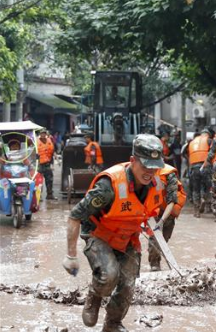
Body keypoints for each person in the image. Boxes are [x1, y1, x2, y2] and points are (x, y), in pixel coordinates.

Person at [62, 134, 166, 332]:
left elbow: (151, 211)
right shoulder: (108, 186)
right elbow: (75, 216)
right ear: (133, 160)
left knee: (127, 285)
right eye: (145, 166)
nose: (150, 172)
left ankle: (112, 323)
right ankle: (95, 294)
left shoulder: (157, 184)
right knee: (109, 276)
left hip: (128, 237)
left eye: (154, 167)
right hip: (100, 235)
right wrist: (70, 255)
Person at [148, 163, 187, 271]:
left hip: (167, 210)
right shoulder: (141, 171)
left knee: (164, 238)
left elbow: (172, 201)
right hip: (152, 209)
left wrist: (162, 220)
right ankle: (154, 264)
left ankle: (157, 259)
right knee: (155, 238)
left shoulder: (169, 175)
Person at [186, 128, 213, 217]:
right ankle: (206, 201)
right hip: (205, 167)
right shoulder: (209, 140)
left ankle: (196, 211)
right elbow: (213, 153)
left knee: (195, 189)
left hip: (194, 167)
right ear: (208, 134)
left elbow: (187, 154)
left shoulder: (192, 142)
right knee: (208, 187)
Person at [37, 129, 56, 200]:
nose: (43, 135)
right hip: (40, 164)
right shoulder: (36, 141)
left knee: (49, 179)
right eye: (42, 133)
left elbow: (52, 151)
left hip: (47, 164)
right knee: (39, 181)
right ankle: (39, 196)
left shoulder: (49, 140)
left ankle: (50, 195)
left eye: (44, 133)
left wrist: (54, 161)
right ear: (40, 134)